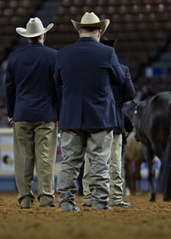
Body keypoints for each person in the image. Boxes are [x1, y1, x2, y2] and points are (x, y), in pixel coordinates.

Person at [55, 12, 123, 212]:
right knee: (100, 161)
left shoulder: (62, 53)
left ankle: (66, 202)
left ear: (79, 30)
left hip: (71, 116)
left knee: (70, 163)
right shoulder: (107, 53)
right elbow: (119, 79)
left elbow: (56, 82)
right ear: (100, 32)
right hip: (100, 117)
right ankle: (99, 202)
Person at [5, 17, 58, 209]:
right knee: (45, 158)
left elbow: (9, 88)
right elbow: (58, 88)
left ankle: (25, 199)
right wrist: (58, 112)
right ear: (44, 35)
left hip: (22, 114)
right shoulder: (54, 56)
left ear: (27, 37)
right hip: (46, 114)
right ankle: (46, 198)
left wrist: (11, 112)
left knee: (23, 159)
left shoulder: (15, 57)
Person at [82, 37, 135, 207]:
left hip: (93, 119)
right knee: (114, 162)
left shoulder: (90, 69)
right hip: (115, 120)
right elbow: (130, 94)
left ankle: (89, 197)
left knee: (91, 160)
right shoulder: (123, 69)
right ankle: (116, 197)